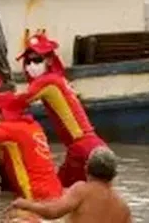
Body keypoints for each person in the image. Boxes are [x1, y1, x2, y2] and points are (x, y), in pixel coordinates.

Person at [15, 33, 110, 187]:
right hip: (95, 146)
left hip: (81, 149)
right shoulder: (59, 79)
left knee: (57, 194)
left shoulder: (46, 82)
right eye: (28, 61)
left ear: (50, 60)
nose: (31, 65)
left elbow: (16, 103)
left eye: (37, 59)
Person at [10, 147, 132, 223]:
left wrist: (26, 204)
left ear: (86, 169)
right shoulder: (123, 207)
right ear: (114, 175)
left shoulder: (82, 190)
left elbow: (53, 212)